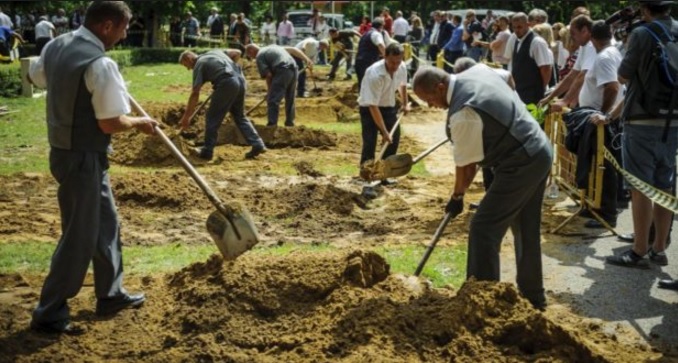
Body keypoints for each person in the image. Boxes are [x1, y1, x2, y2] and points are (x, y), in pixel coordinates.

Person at [27, 1, 157, 335]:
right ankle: (50, 311)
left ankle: (110, 294)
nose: (126, 34)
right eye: (125, 28)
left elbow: (37, 77)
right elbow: (110, 122)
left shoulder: (57, 45)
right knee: (79, 237)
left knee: (106, 224)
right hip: (82, 156)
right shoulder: (100, 64)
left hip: (67, 152)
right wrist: (139, 122)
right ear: (107, 26)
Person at [412, 65, 553, 310]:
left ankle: (482, 304)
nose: (430, 106)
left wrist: (457, 196)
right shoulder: (478, 71)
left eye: (430, 99)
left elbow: (466, 168)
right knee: (525, 228)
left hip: (521, 162)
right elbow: (508, 78)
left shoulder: (464, 112)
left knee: (483, 228)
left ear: (441, 87)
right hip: (538, 149)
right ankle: (533, 299)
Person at [605, 0, 678, 269]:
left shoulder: (642, 34)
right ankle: (659, 248)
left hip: (641, 119)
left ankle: (638, 249)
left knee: (640, 188)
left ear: (645, 10)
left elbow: (623, 76)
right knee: (665, 186)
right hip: (672, 120)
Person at [179, 50, 267, 161]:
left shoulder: (199, 64)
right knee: (239, 116)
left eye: (185, 65)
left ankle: (207, 151)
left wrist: (186, 117)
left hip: (227, 83)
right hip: (240, 81)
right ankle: (257, 143)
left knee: (212, 117)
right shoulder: (215, 53)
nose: (188, 68)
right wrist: (229, 71)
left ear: (188, 58)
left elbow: (195, 93)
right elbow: (237, 53)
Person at [358, 43, 409, 197]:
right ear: (385, 57)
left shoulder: (402, 67)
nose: (395, 66)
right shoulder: (374, 74)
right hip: (369, 108)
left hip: (388, 107)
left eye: (398, 62)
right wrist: (384, 131)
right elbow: (373, 106)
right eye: (392, 62)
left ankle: (385, 175)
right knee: (370, 142)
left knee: (393, 140)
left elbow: (403, 85)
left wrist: (405, 103)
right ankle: (367, 180)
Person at [246, 44, 298, 127]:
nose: (252, 58)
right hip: (294, 68)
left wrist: (270, 91)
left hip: (282, 69)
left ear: (251, 51)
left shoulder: (259, 56)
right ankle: (290, 122)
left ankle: (272, 124)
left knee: (273, 100)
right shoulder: (271, 47)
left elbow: (268, 75)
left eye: (250, 55)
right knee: (290, 98)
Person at [508, 12, 553, 106]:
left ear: (528, 24)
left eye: (519, 27)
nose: (516, 30)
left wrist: (541, 89)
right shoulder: (516, 40)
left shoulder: (537, 42)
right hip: (519, 92)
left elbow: (546, 69)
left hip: (533, 95)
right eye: (514, 27)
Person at [355, 17, 387, 87]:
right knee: (370, 86)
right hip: (368, 63)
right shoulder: (376, 34)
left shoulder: (365, 35)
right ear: (381, 26)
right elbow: (381, 45)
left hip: (359, 62)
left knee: (362, 87)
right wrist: (387, 58)